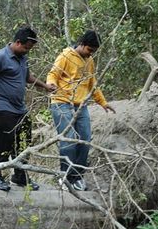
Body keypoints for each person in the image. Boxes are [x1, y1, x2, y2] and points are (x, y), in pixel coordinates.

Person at [0, 27, 55, 191]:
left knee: (24, 139)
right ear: (18, 42)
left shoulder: (22, 58)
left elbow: (27, 77)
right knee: (3, 141)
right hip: (1, 105)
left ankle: (20, 175)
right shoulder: (1, 56)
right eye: (26, 47)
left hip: (19, 108)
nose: (27, 51)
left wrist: (46, 86)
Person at [46, 30, 116, 191]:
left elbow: (92, 83)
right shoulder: (65, 56)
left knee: (84, 140)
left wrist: (103, 102)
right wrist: (52, 85)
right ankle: (64, 176)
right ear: (82, 44)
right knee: (69, 139)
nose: (91, 53)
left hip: (81, 105)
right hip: (62, 102)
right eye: (89, 50)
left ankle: (77, 177)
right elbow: (53, 74)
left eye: (94, 51)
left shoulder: (89, 60)